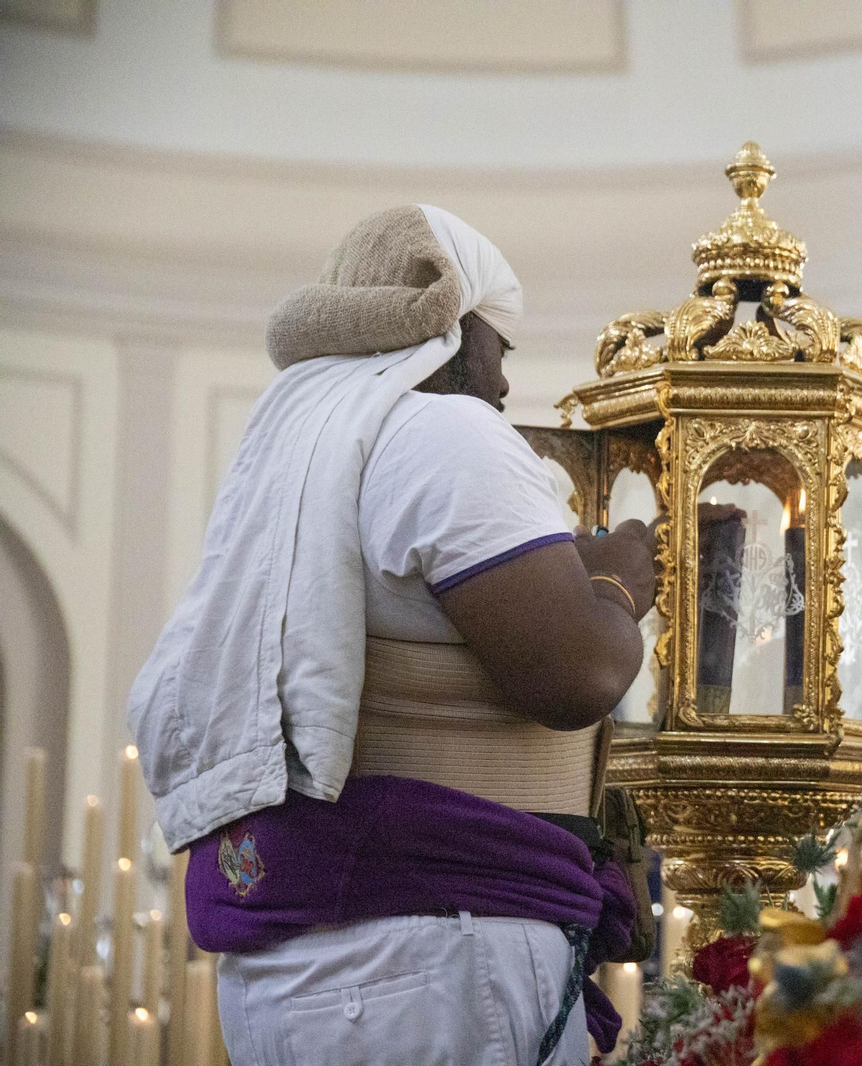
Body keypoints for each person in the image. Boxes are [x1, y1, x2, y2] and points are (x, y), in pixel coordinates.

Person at [127, 205, 656, 1065]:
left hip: (305, 961)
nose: (505, 387)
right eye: (500, 348)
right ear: (449, 331)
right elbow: (578, 673)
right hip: (432, 951)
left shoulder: (298, 447)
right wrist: (617, 582)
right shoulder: (440, 429)